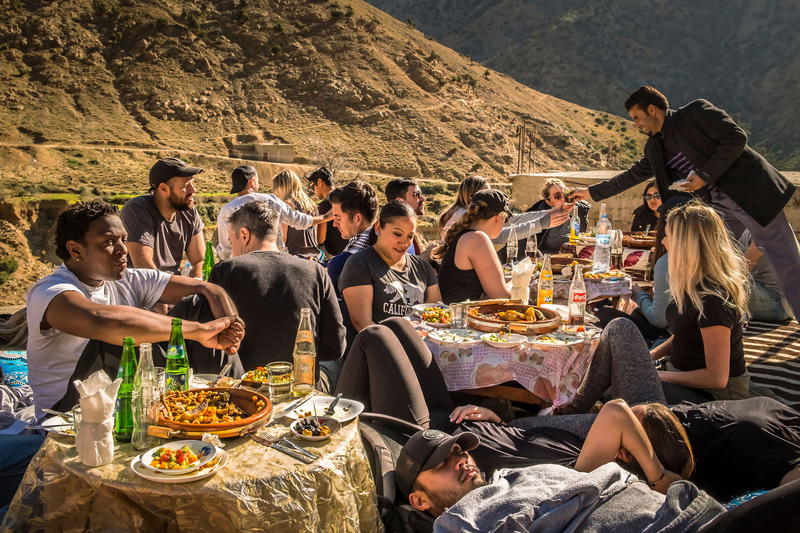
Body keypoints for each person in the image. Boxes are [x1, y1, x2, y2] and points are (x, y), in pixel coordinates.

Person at [337, 317, 800, 502]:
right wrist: (502, 417)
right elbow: (612, 414)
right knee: (396, 325)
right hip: (472, 430)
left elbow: (616, 413)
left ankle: (330, 424)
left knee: (376, 336)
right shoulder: (587, 449)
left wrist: (659, 475)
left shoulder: (586, 473)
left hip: (429, 441)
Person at [570, 86, 800, 320]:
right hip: (717, 207)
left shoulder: (695, 113)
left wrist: (704, 176)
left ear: (652, 109)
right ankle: (721, 323)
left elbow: (735, 137)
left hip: (751, 193)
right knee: (715, 264)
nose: (636, 125)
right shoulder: (655, 147)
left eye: (637, 117)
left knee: (786, 259)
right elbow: (632, 176)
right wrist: (590, 193)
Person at [25, 200, 243, 419]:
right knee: (118, 339)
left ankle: (234, 404)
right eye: (109, 242)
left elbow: (208, 288)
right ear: (75, 250)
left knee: (199, 304)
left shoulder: (128, 279)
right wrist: (200, 331)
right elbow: (103, 321)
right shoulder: (50, 292)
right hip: (67, 411)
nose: (123, 250)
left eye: (124, 239)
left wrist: (230, 328)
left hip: (123, 396)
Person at [397, 427, 800, 533]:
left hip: (693, 509)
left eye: (460, 451)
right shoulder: (457, 522)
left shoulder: (512, 475)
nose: (461, 461)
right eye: (444, 462)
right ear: (419, 500)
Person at [208, 201, 345, 389]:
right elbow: (335, 347)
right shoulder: (316, 271)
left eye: (232, 241)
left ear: (244, 235)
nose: (232, 250)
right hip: (302, 388)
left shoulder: (225, 271)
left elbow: (209, 340)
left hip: (245, 391)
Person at [339, 201, 440, 332]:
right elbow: (363, 324)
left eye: (410, 236)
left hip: (422, 339)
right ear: (378, 228)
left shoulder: (423, 267)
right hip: (381, 341)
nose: (404, 243)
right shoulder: (359, 264)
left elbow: (436, 316)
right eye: (397, 234)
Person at [216, 165, 331, 260]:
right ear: (252, 182)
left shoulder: (226, 210)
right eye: (257, 180)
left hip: (242, 265)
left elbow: (225, 250)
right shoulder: (270, 200)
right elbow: (300, 221)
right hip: (274, 261)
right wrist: (325, 217)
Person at [120, 157, 205, 277]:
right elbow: (145, 269)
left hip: (172, 283)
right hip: (141, 286)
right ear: (163, 188)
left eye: (192, 183)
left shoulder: (188, 211)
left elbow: (198, 262)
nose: (193, 190)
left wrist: (196, 282)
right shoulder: (136, 210)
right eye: (185, 186)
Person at [435, 189, 513, 303]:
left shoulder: (466, 236)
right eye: (506, 219)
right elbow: (501, 297)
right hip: (461, 313)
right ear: (499, 217)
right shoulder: (477, 239)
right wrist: (519, 282)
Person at [326, 181, 379, 294]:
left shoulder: (340, 264)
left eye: (338, 218)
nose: (334, 224)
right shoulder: (397, 251)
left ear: (357, 219)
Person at [739, 229, 792, 322]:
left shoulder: (764, 228)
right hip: (779, 301)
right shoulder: (756, 227)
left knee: (718, 287)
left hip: (778, 302)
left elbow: (743, 268)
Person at [525, 178, 590, 253]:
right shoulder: (540, 218)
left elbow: (581, 240)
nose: (564, 198)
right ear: (548, 202)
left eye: (566, 194)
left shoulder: (579, 210)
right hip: (547, 257)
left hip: (573, 257)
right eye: (558, 196)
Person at [271, 170, 320, 257]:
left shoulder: (286, 204)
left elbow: (283, 238)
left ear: (280, 186)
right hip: (314, 256)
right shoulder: (311, 204)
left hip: (294, 257)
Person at [307, 167, 348, 256]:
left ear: (319, 182)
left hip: (332, 252)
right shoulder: (346, 199)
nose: (314, 191)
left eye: (313, 187)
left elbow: (320, 239)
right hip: (349, 249)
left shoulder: (324, 205)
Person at [385, 178, 426, 255]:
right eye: (416, 195)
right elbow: (398, 261)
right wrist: (426, 255)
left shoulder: (411, 232)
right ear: (400, 201)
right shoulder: (389, 233)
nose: (423, 198)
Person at [438, 176, 487, 240]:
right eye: (485, 194)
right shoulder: (463, 214)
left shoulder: (456, 210)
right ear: (471, 195)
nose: (489, 197)